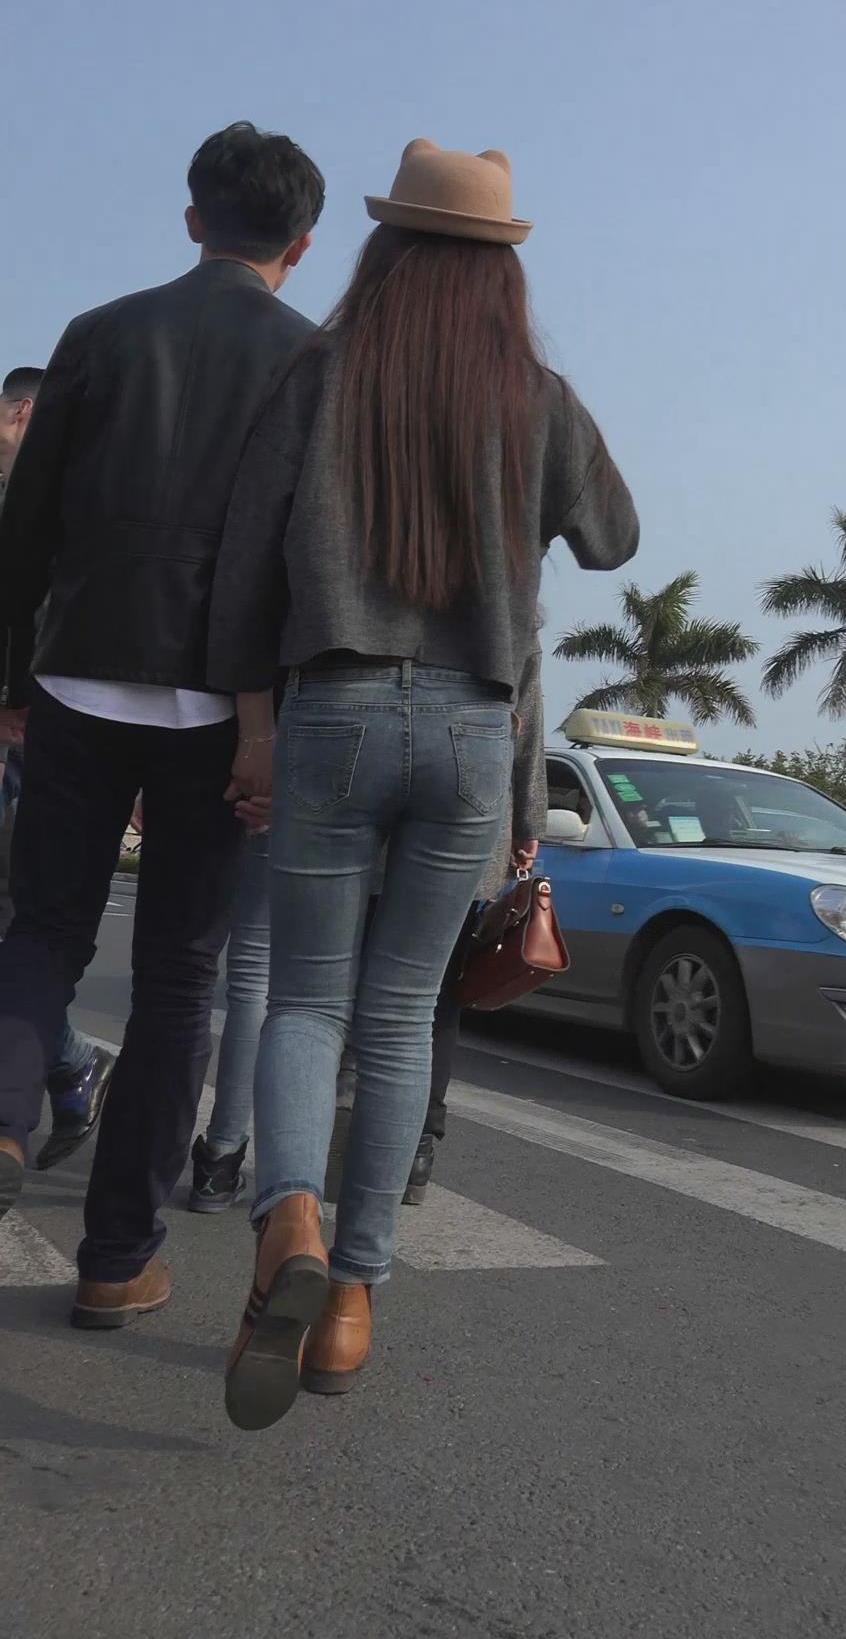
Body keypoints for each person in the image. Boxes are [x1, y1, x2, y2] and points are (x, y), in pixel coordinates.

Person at [208, 139, 638, 1430]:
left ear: (385, 249)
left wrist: (253, 726)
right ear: (503, 273)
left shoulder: (320, 371)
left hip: (334, 708)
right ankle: (351, 1300)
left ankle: (288, 1217)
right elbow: (615, 536)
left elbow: (244, 564)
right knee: (399, 1020)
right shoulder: (535, 397)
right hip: (469, 734)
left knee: (304, 1003)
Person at [0, 121, 325, 1332]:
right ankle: (116, 1257)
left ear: (192, 220)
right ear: (302, 244)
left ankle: (3, 1114)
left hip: (78, 676)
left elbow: (25, 528)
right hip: (223, 704)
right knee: (181, 979)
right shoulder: (315, 360)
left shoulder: (97, 333)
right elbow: (307, 557)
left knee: (44, 927)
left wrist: (13, 679)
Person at [193, 637, 546, 1214]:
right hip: (465, 767)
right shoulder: (497, 600)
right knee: (415, 1009)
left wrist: (262, 752)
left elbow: (257, 633)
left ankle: (260, 1178)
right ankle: (400, 1174)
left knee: (302, 999)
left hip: (329, 748)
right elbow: (523, 694)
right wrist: (527, 820)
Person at [0, 365, 114, 1161]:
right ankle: (71, 1064)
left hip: (23, 739)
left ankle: (67, 1065)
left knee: (21, 932)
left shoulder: (46, 501)